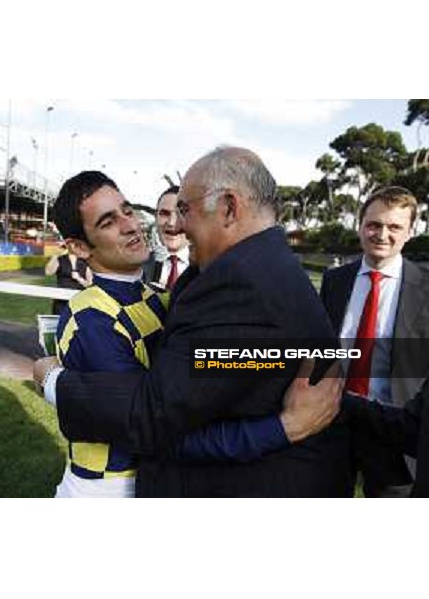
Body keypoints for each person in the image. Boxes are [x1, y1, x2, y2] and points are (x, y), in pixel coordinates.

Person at [35, 146, 352, 497]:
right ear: (78, 247)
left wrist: (51, 378)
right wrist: (285, 423)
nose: (176, 225)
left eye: (184, 210)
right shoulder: (94, 316)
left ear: (229, 208)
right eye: (108, 221)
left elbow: (155, 413)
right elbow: (148, 419)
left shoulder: (226, 285)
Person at [320, 186, 429, 497]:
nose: (382, 234)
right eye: (374, 224)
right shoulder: (334, 281)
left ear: (410, 232)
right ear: (360, 226)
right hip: (332, 423)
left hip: (395, 433)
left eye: (394, 227)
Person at [142, 185, 190, 289]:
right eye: (165, 214)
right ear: (156, 217)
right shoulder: (137, 266)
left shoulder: (211, 268)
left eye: (180, 213)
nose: (172, 223)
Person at [45, 244, 92, 316]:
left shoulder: (85, 261)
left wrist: (79, 278)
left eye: (76, 244)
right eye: (71, 245)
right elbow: (48, 272)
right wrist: (56, 255)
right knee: (60, 322)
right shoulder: (61, 259)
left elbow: (89, 284)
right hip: (61, 299)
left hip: (79, 300)